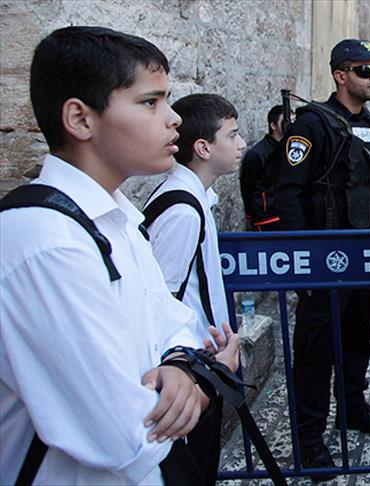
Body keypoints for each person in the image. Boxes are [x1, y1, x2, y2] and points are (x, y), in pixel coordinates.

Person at [0, 26, 239, 485]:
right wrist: (205, 382)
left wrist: (180, 365)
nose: (174, 119)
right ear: (80, 119)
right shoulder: (47, 241)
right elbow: (124, 435)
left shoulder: (119, 219)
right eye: (150, 102)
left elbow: (173, 319)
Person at [272, 38, 370, 479]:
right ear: (340, 75)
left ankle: (352, 407)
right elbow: (288, 194)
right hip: (325, 259)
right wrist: (301, 259)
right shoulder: (312, 125)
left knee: (358, 337)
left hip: (362, 255)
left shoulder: (367, 125)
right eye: (364, 70)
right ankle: (308, 438)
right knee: (315, 350)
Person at [142, 93, 245, 485]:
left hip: (203, 364)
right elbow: (159, 299)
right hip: (191, 369)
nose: (241, 144)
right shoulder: (183, 211)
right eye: (232, 135)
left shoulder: (196, 200)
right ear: (203, 148)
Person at [239, 104, 286, 230]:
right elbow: (248, 185)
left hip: (283, 212)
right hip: (266, 216)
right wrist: (250, 215)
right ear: (273, 125)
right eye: (285, 122)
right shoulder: (258, 153)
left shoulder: (288, 149)